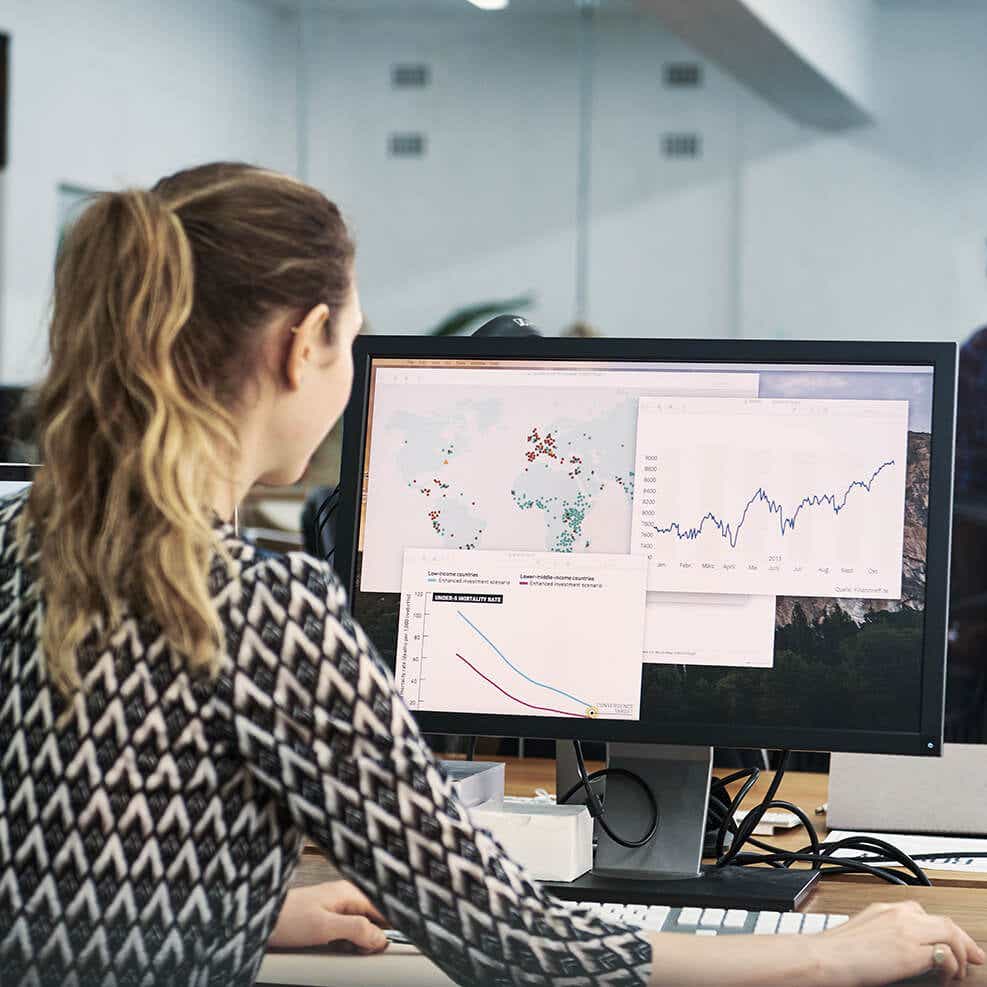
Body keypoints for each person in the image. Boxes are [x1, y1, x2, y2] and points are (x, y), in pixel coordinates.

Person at [0, 162, 980, 987]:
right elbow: (520, 946)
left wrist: (236, 911)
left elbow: (53, 867)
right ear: (305, 347)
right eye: (352, 335)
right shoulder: (259, 608)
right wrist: (829, 956)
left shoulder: (24, 546)